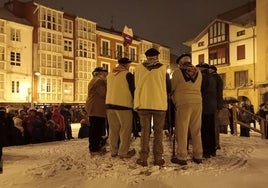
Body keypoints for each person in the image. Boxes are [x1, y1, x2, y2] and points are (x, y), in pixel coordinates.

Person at [134, 48, 171, 167]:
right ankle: (158, 158)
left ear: (146, 57)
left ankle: (143, 158)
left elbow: (135, 85)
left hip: (143, 103)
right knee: (158, 132)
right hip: (159, 104)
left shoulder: (138, 68)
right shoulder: (163, 68)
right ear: (157, 56)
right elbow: (168, 86)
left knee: (145, 131)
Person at [171, 54, 203, 165]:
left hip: (183, 102)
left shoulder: (177, 72)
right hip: (198, 102)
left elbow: (172, 87)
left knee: (182, 129)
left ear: (180, 63)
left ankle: (182, 156)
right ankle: (198, 154)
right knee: (196, 129)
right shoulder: (198, 73)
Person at [106, 57, 136, 158]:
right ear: (126, 65)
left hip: (110, 105)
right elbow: (133, 90)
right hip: (124, 105)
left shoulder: (110, 75)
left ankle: (113, 151)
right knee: (125, 130)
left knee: (113, 130)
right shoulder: (128, 74)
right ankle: (123, 152)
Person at [85, 67, 108, 155]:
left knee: (94, 128)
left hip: (94, 107)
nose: (106, 74)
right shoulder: (99, 81)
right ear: (100, 73)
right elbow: (103, 93)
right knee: (96, 128)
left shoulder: (94, 80)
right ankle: (95, 148)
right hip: (97, 108)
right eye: (105, 72)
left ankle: (94, 146)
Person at [197, 63, 217, 158]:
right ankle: (212, 149)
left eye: (199, 68)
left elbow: (201, 90)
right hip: (211, 106)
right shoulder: (212, 77)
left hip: (205, 106)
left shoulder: (203, 77)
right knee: (210, 129)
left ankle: (206, 151)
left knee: (204, 129)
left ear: (202, 69)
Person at [209, 65, 223, 150]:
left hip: (214, 104)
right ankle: (216, 142)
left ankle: (216, 143)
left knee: (214, 125)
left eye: (209, 69)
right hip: (217, 103)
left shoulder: (214, 78)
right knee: (215, 124)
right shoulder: (218, 78)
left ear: (212, 70)